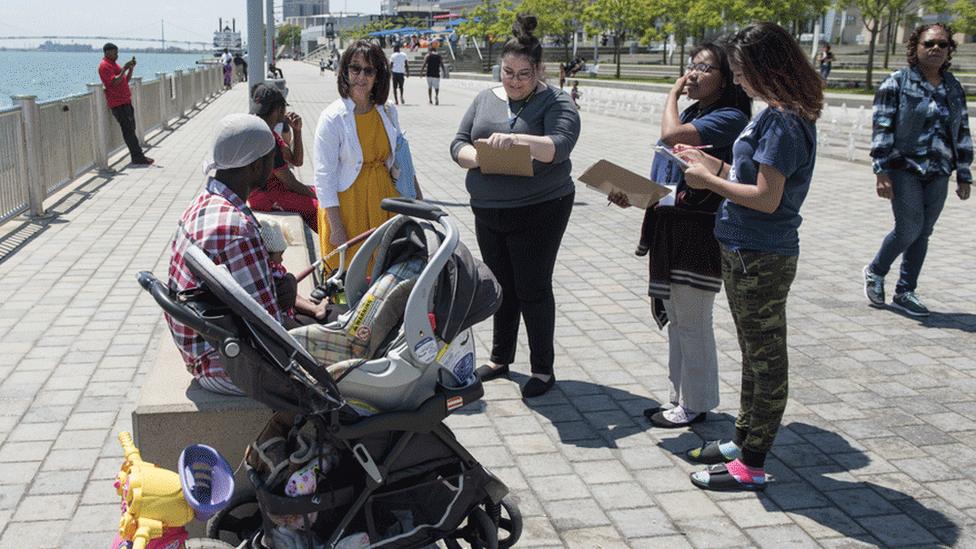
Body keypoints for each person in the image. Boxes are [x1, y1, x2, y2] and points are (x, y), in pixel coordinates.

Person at [675, 22, 823, 491]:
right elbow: (748, 174)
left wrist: (708, 182)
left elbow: (766, 198)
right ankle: (743, 439)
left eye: (741, 71)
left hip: (760, 253)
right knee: (751, 351)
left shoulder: (782, 119)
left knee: (765, 359)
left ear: (765, 68)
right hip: (744, 249)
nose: (737, 81)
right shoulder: (775, 113)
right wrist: (709, 164)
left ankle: (753, 462)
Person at [609, 42, 751, 429]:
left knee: (692, 321)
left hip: (698, 234)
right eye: (691, 66)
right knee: (679, 318)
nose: (692, 74)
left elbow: (672, 137)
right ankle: (682, 398)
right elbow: (668, 174)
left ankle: (696, 403)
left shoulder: (730, 116)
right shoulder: (696, 112)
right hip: (671, 229)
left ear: (725, 80)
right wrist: (637, 195)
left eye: (704, 68)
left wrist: (670, 91)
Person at [450, 14, 581, 398]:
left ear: (539, 70)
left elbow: (559, 146)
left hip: (540, 208)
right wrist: (478, 155)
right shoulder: (484, 98)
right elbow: (458, 143)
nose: (515, 80)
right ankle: (500, 357)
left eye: (524, 74)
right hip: (489, 210)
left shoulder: (556, 100)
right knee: (499, 286)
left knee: (532, 287)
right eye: (508, 72)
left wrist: (519, 145)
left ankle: (542, 369)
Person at [864, 23, 972, 317]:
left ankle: (905, 291)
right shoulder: (896, 83)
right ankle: (876, 271)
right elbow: (882, 129)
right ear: (915, 48)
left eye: (942, 44)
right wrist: (881, 171)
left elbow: (961, 131)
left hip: (939, 170)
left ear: (950, 50)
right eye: (929, 44)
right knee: (908, 228)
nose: (936, 49)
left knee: (923, 232)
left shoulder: (953, 87)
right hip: (904, 168)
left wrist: (964, 173)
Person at [166, 113, 278, 395]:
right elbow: (270, 328)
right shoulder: (238, 230)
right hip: (224, 365)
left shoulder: (204, 203)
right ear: (255, 167)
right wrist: (286, 298)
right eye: (271, 157)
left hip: (200, 350)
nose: (274, 164)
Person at [314, 41, 418, 265]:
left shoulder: (388, 111)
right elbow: (324, 177)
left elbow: (402, 158)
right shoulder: (332, 118)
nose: (361, 76)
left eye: (369, 70)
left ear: (379, 75)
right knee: (349, 276)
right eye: (355, 68)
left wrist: (416, 199)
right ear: (345, 72)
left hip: (384, 201)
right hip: (348, 208)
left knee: (383, 273)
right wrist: (337, 227)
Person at [247, 83, 319, 232]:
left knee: (323, 194)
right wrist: (320, 197)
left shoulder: (265, 131)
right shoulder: (267, 139)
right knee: (321, 207)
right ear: (279, 110)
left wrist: (297, 131)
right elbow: (290, 182)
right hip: (267, 197)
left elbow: (296, 161)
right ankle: (335, 247)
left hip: (273, 192)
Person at [258, 219, 328, 329]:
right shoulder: (273, 269)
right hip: (284, 314)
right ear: (269, 253)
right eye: (280, 254)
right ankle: (314, 309)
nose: (281, 259)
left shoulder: (263, 266)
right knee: (291, 291)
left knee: (294, 293)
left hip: (283, 305)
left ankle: (314, 308)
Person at [98, 43, 153, 166]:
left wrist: (130, 69)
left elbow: (124, 81)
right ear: (107, 52)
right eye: (115, 52)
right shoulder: (104, 66)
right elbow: (114, 82)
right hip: (118, 104)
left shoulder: (113, 64)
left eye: (117, 52)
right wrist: (124, 69)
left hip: (125, 101)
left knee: (131, 130)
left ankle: (136, 156)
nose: (117, 55)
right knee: (128, 131)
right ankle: (138, 157)